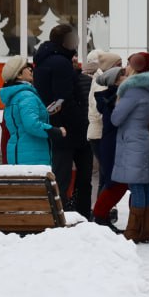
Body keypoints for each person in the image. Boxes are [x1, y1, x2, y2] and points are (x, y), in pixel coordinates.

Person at [34, 24, 93, 218]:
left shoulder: (44, 60)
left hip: (57, 123)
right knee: (76, 175)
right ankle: (72, 213)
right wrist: (80, 122)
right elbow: (65, 98)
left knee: (62, 172)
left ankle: (63, 211)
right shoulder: (60, 63)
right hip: (70, 127)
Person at [109, 52, 149, 244]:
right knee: (144, 184)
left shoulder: (132, 92)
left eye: (129, 65)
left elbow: (116, 118)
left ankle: (134, 230)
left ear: (136, 67)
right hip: (143, 138)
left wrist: (117, 101)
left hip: (131, 140)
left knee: (137, 186)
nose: (126, 68)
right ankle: (147, 230)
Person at [0, 56, 65, 166]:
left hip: (19, 151)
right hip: (32, 155)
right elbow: (32, 125)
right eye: (27, 67)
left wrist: (45, 112)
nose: (31, 69)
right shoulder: (27, 95)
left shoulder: (14, 95)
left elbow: (21, 119)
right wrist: (55, 131)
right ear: (19, 75)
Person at [89, 59, 129, 232]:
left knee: (115, 181)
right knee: (115, 182)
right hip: (112, 143)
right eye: (124, 75)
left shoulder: (111, 96)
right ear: (116, 80)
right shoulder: (113, 97)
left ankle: (101, 216)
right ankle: (99, 215)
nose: (127, 77)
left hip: (112, 142)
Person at [87, 50, 122, 196]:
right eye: (119, 65)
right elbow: (99, 111)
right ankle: (102, 212)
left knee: (105, 176)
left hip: (100, 133)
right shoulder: (101, 83)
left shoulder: (102, 80)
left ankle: (102, 213)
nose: (122, 68)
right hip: (100, 134)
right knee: (108, 176)